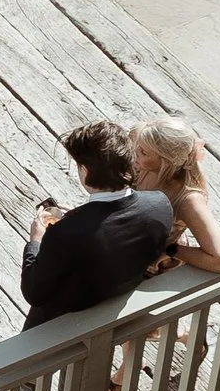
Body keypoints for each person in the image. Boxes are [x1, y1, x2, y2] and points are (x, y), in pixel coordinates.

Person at [21, 121, 176, 325]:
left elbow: (34, 293)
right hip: (116, 314)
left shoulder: (63, 234)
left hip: (58, 331)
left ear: (85, 170)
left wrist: (36, 241)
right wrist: (80, 217)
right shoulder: (159, 205)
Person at [134, 118, 220, 276]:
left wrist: (171, 249)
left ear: (166, 161)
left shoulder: (188, 200)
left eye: (143, 152)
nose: (135, 153)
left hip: (150, 269)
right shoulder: (144, 166)